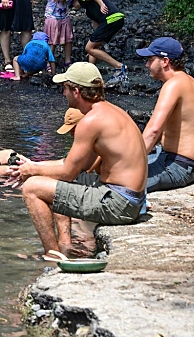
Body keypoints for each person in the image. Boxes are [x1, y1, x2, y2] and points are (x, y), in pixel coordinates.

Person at [8, 62, 148, 258]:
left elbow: (68, 173)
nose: (63, 94)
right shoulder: (112, 112)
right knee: (45, 181)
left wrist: (31, 172)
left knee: (32, 188)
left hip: (118, 203)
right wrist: (32, 165)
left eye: (65, 88)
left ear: (76, 91)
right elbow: (80, 164)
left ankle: (52, 256)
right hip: (132, 200)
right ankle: (64, 245)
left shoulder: (90, 122)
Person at [136, 37, 194, 192]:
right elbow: (160, 131)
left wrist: (131, 162)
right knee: (112, 168)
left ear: (165, 61)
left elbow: (153, 131)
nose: (147, 65)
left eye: (150, 59)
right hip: (172, 159)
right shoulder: (185, 80)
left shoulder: (174, 85)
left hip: (179, 166)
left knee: (121, 182)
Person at [67, 0, 127, 88]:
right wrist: (93, 48)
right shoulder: (89, 11)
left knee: (88, 47)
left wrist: (102, 5)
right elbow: (96, 29)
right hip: (116, 19)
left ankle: (119, 67)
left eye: (72, 3)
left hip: (111, 19)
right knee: (91, 48)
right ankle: (92, 76)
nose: (74, 6)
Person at [43, 0, 75, 69]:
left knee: (68, 38)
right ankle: (49, 62)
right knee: (52, 40)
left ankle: (67, 60)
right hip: (53, 16)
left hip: (63, 14)